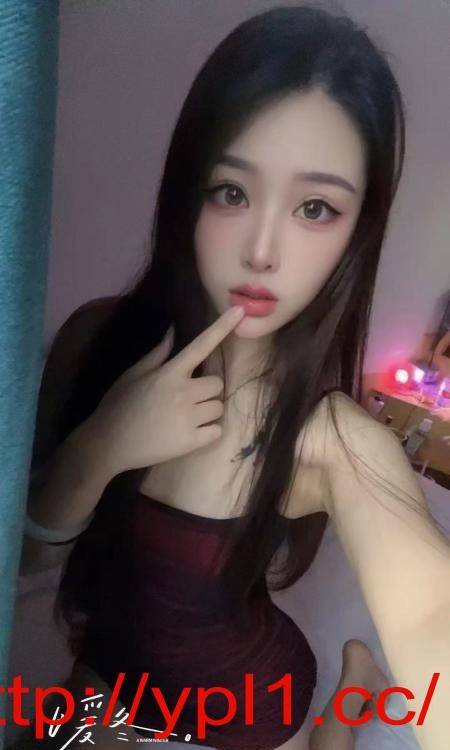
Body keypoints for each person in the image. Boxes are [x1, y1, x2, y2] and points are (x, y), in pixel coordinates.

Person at [17, 4, 450, 750]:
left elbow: (428, 616)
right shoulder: (95, 340)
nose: (262, 250)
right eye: (232, 192)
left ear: (356, 233)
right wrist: (103, 444)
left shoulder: (332, 439)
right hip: (112, 677)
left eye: (315, 208)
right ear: (188, 188)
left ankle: (353, 689)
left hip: (247, 706)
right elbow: (26, 561)